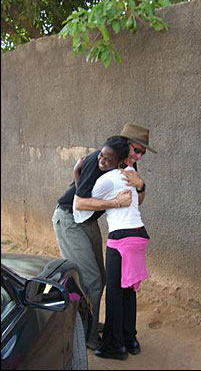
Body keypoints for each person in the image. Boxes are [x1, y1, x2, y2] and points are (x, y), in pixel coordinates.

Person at [52, 123, 156, 350]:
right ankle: (86, 336)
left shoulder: (127, 164)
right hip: (69, 219)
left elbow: (137, 201)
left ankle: (89, 320)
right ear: (125, 145)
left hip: (88, 222)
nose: (139, 156)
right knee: (92, 280)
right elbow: (79, 202)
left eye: (142, 153)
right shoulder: (100, 160)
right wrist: (114, 203)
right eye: (136, 150)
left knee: (100, 277)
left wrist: (141, 186)